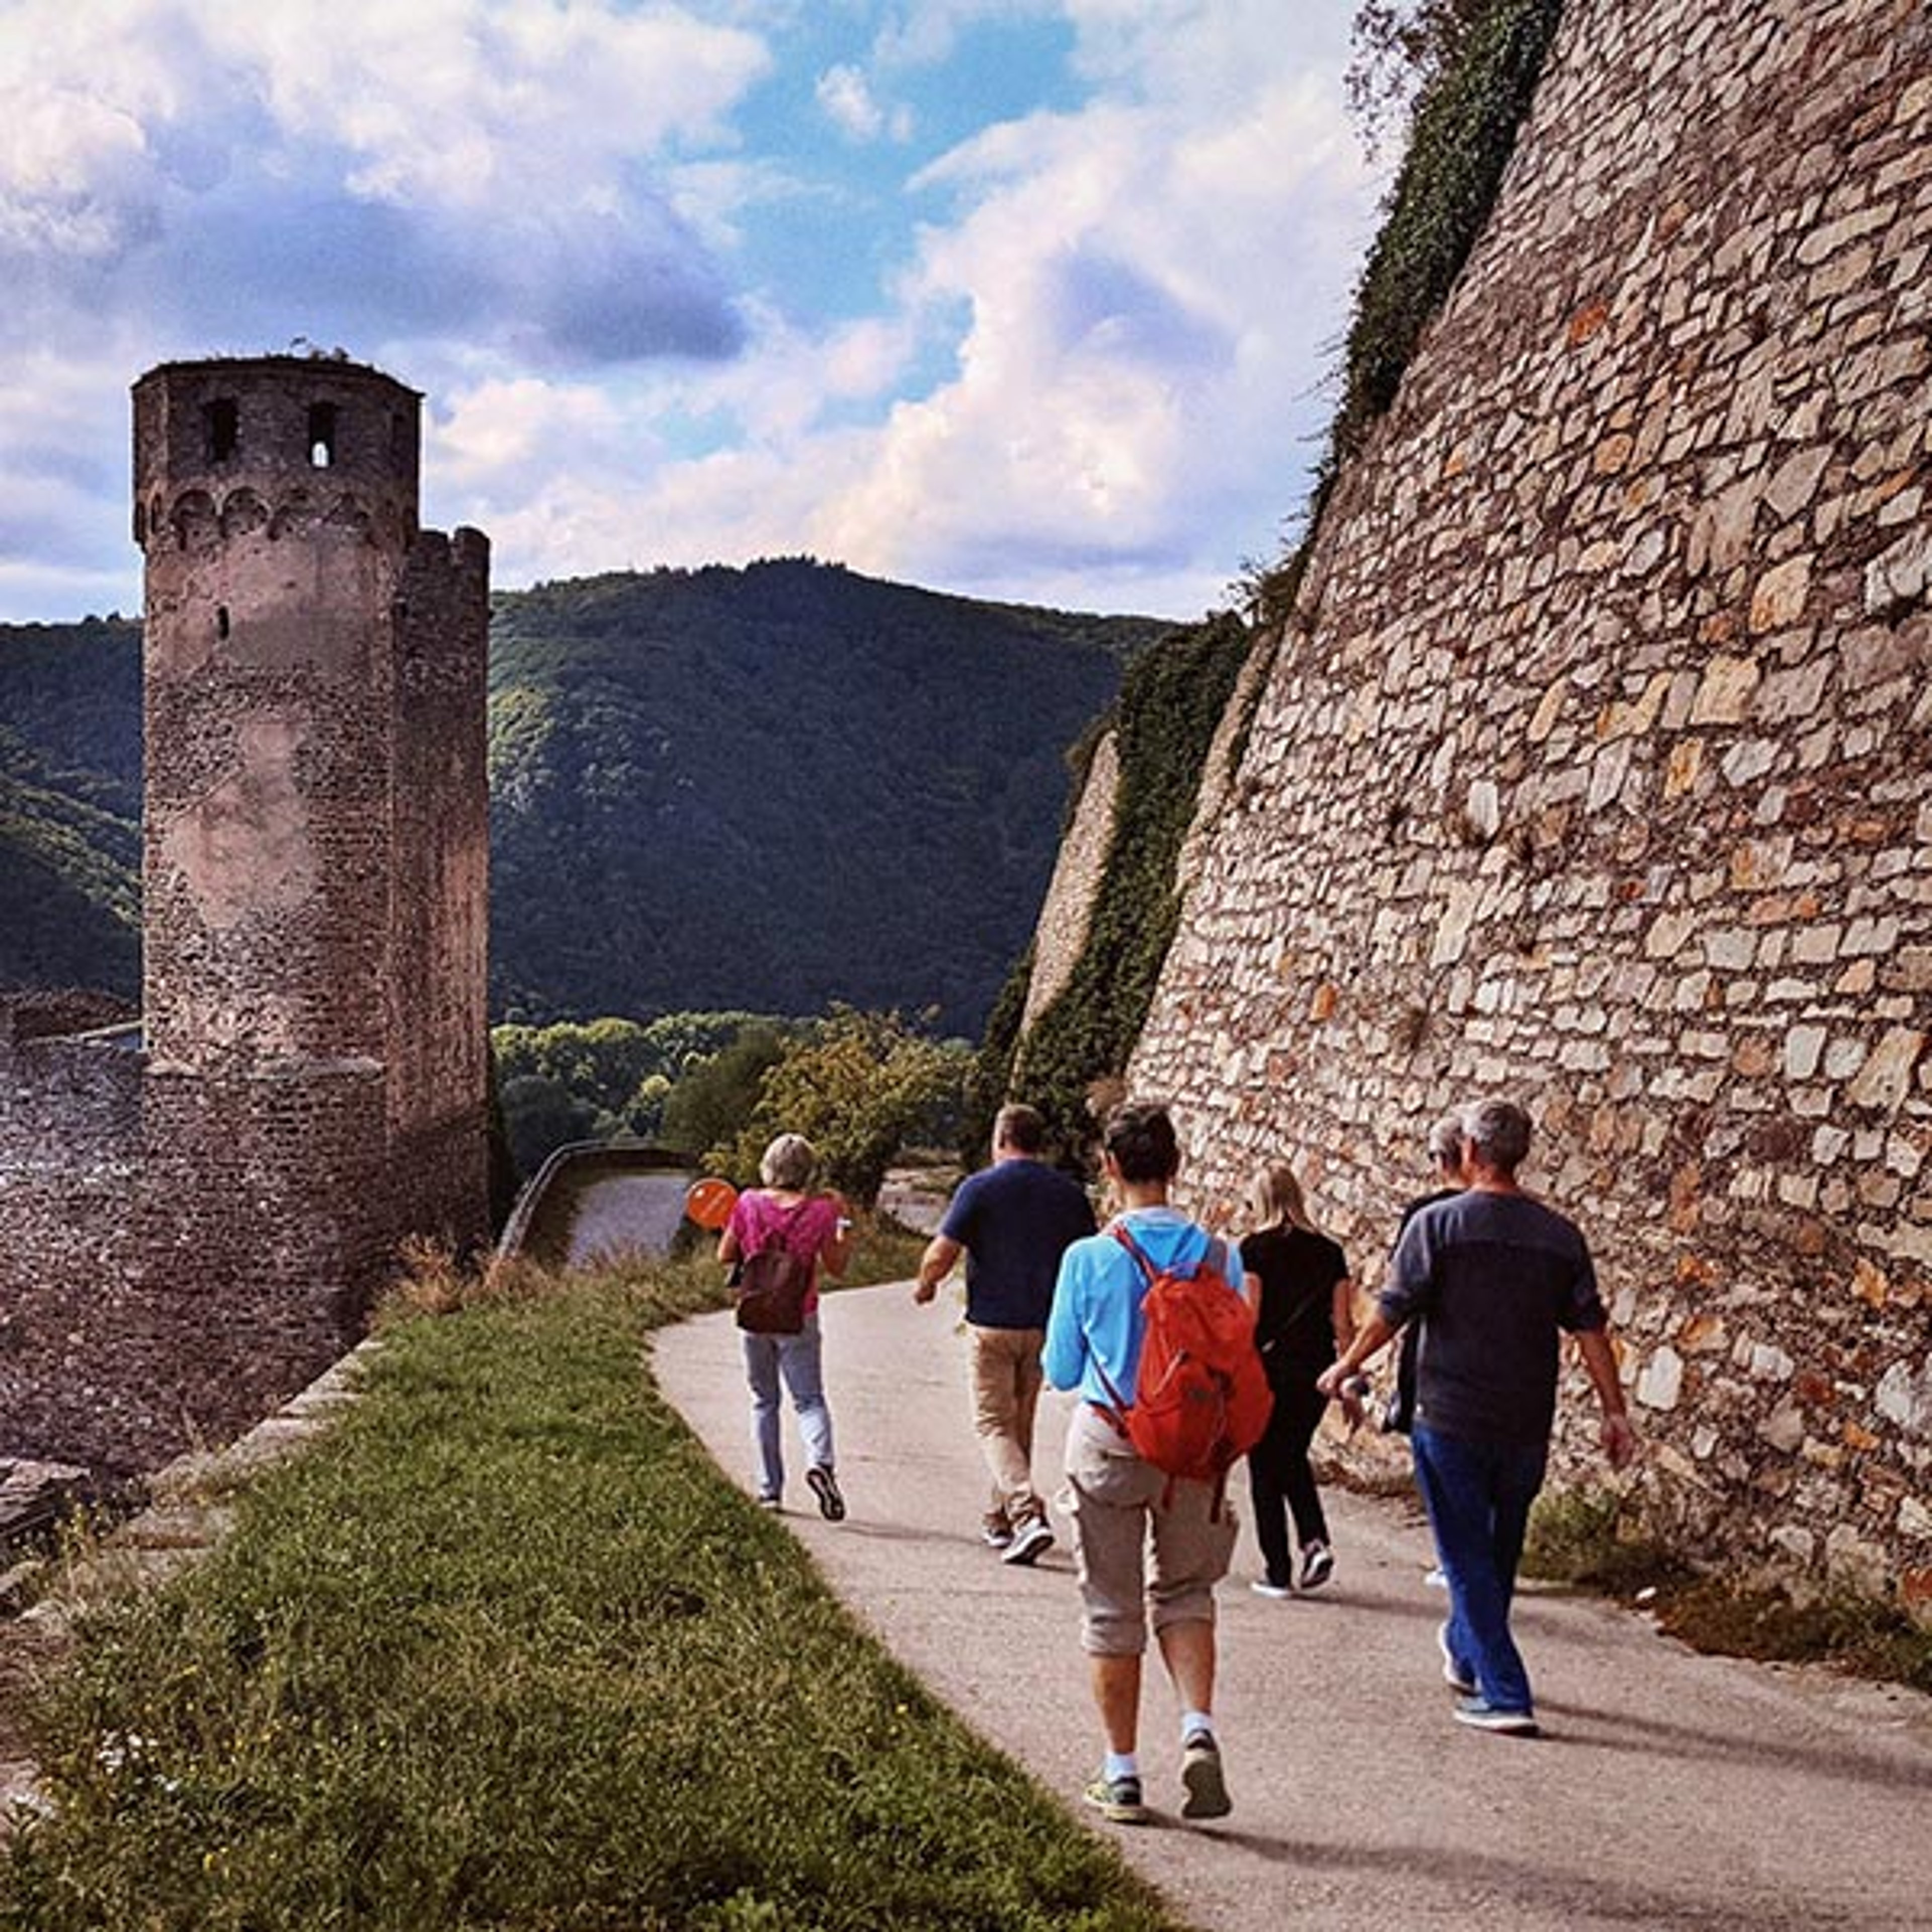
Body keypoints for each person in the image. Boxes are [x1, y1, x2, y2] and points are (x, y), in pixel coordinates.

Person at [1319, 1099, 1636, 1737]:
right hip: (1524, 1418)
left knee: (1464, 1554)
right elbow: (1590, 1328)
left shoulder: (1437, 1226)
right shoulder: (1559, 1236)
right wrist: (1614, 1410)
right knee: (1497, 1550)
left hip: (1451, 1413)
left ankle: (1507, 1692)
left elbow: (1393, 1309)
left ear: (1468, 1153)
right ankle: (1467, 1656)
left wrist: (1344, 1364)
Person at [1043, 1099, 1244, 1826]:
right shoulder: (1221, 1256)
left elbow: (1062, 1370)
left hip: (1110, 1443)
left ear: (1109, 1168)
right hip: (1194, 1451)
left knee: (1111, 1608)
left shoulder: (1088, 1258)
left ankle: (1121, 1775)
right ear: (1176, 1166)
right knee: (1187, 1592)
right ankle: (1197, 1728)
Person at [913, 1102, 1096, 1564]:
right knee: (1020, 1423)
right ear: (1041, 1143)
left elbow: (942, 1252)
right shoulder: (1069, 1194)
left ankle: (1025, 1513)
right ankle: (1000, 1519)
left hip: (992, 1324)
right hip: (1045, 1325)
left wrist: (926, 1283)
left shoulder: (980, 1188)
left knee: (993, 1423)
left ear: (1000, 1139)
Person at [717, 1133, 855, 1520]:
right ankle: (820, 1463)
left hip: (755, 1313)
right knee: (809, 1399)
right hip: (800, 1314)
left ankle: (770, 1492)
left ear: (769, 1165)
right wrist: (844, 1223)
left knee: (764, 1401)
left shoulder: (747, 1203)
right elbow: (838, 1266)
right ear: (808, 1171)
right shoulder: (821, 1212)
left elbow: (724, 1254)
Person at [1239, 1160, 1354, 1597]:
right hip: (1316, 1372)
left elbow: (1250, 1317)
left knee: (1265, 1464)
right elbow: (1343, 1324)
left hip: (1269, 1370)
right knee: (1290, 1454)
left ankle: (1280, 1568)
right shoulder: (1330, 1252)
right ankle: (1312, 1542)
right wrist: (1348, 1377)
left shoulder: (1254, 1249)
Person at [1382, 1110, 1470, 1438]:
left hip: (1432, 1349)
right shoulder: (1512, 1215)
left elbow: (1400, 1288)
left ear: (1442, 1159)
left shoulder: (1425, 1214)